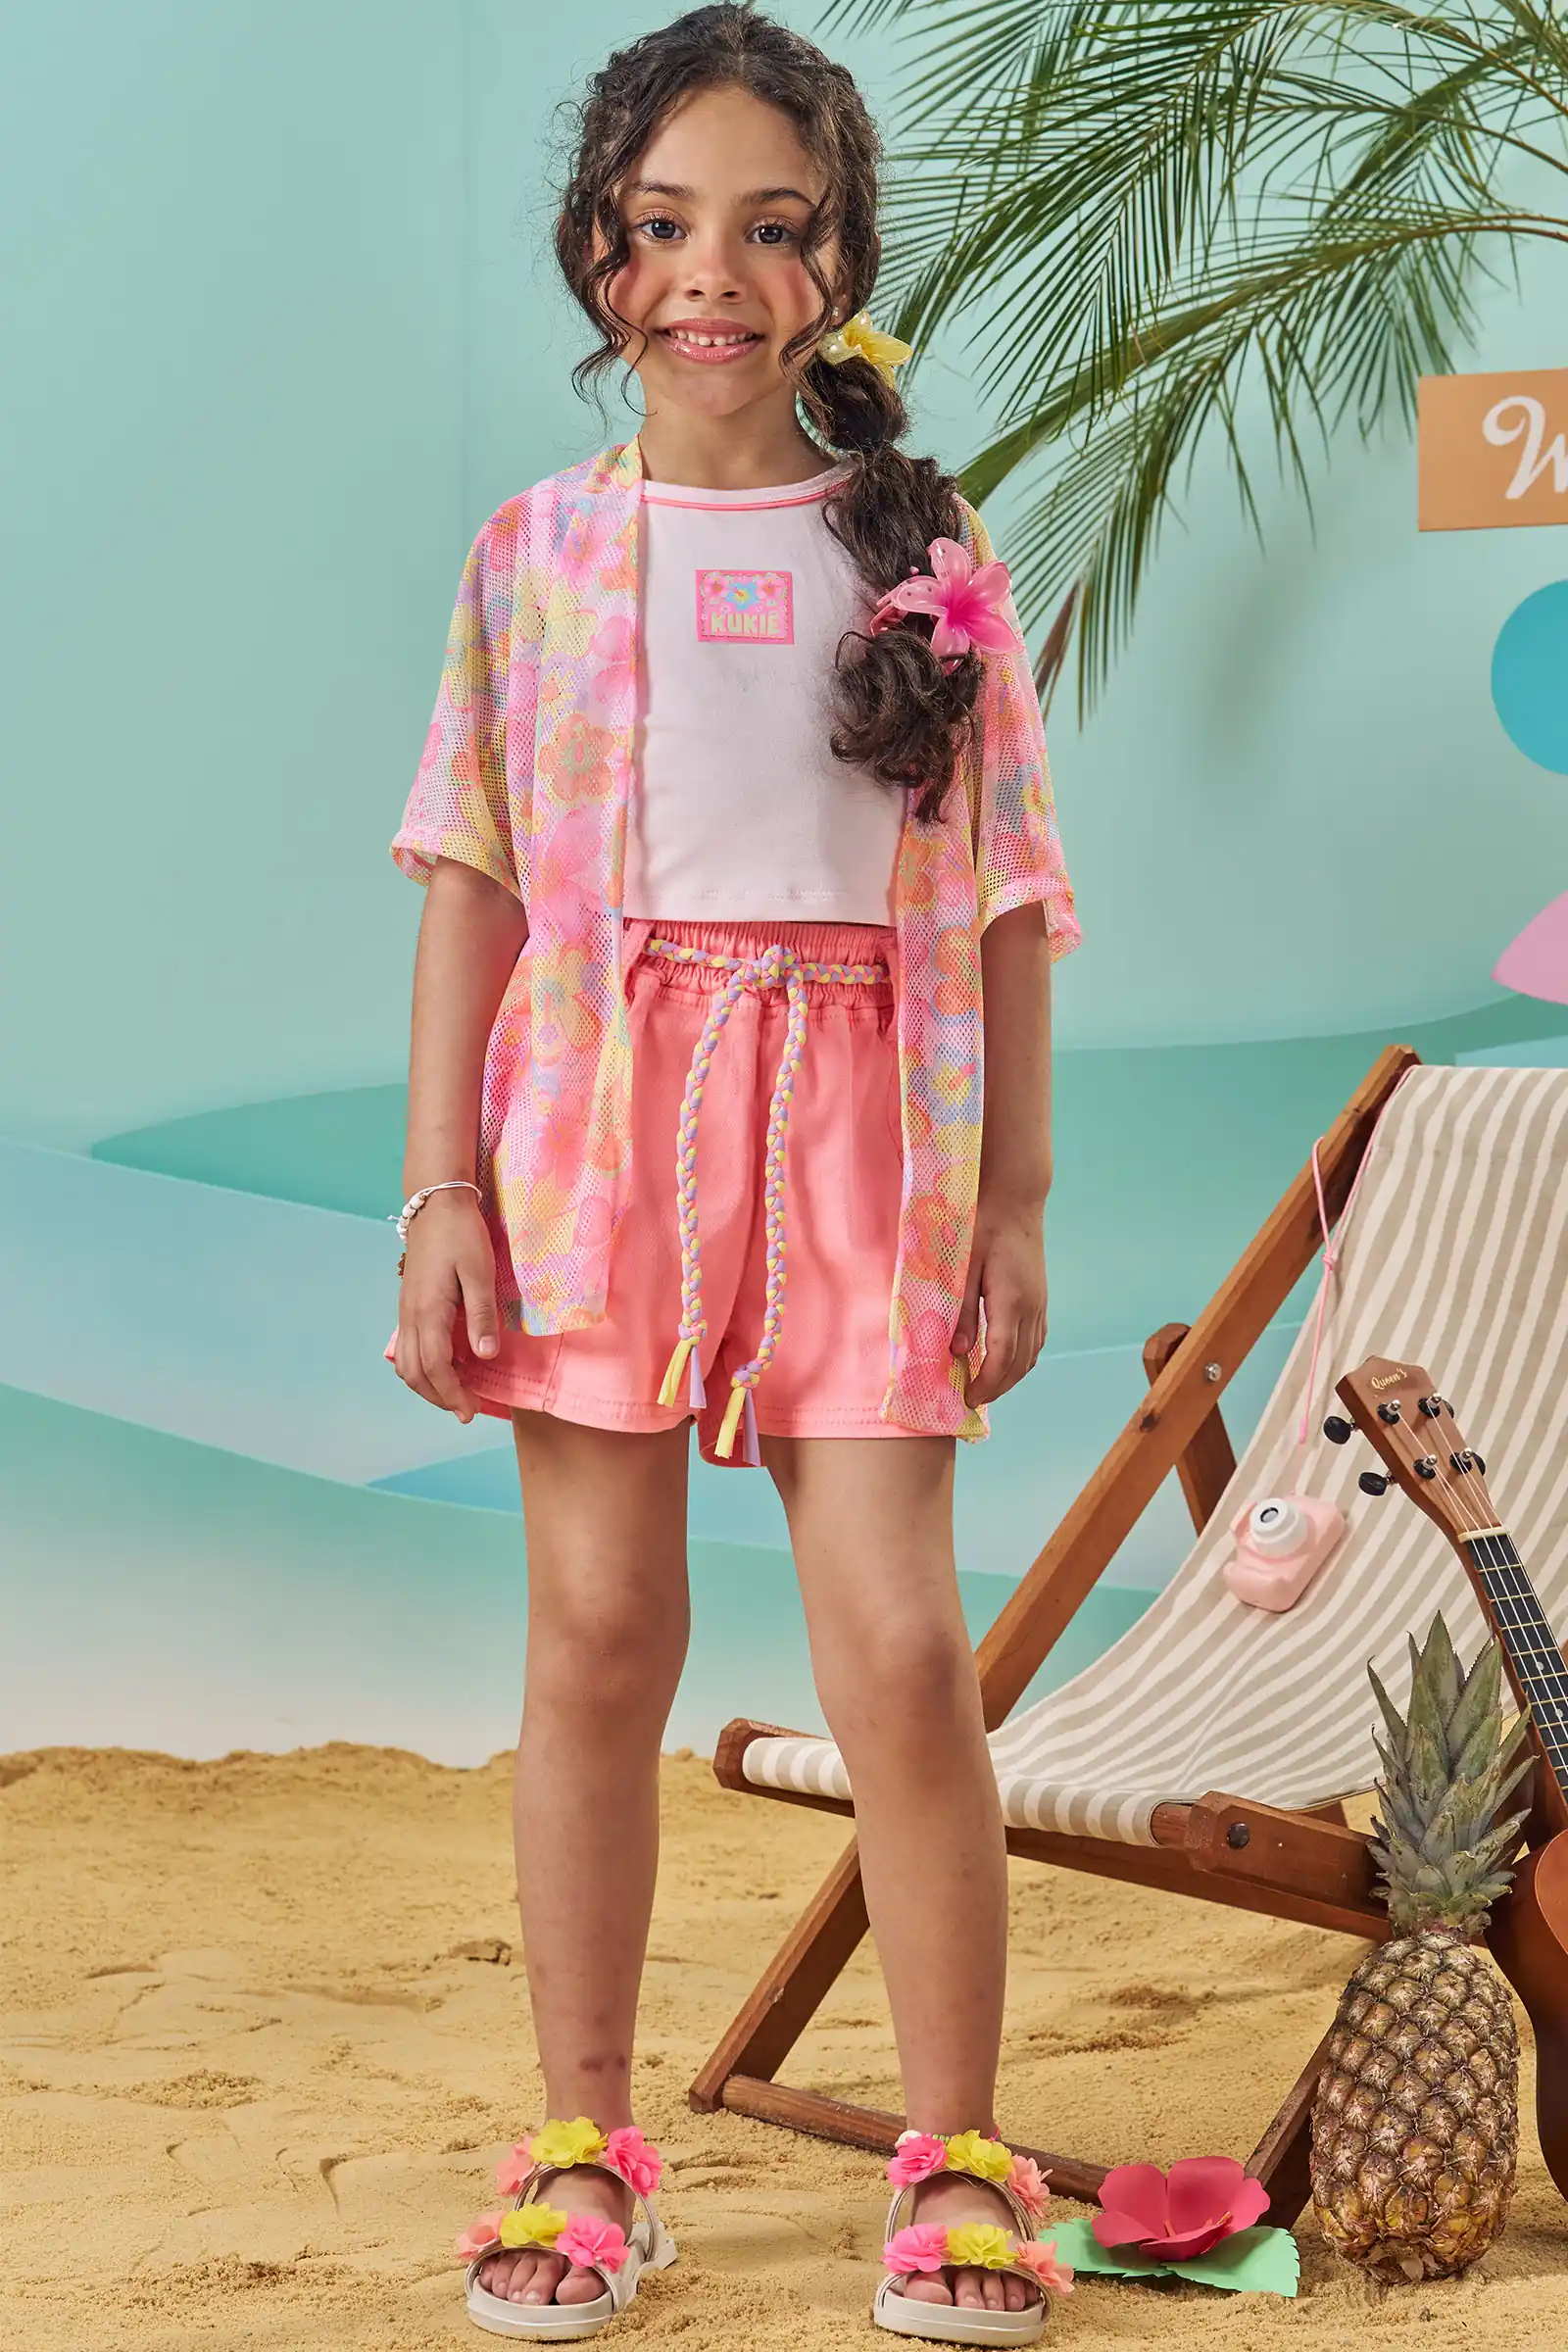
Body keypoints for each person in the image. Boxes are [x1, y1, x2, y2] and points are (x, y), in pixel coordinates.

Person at [388, 7, 1079, 2338]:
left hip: (869, 1125)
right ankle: (586, 2140)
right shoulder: (534, 552)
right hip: (598, 1129)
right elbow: (471, 876)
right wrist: (440, 1190)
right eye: (663, 226)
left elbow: (1005, 891)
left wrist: (1010, 1206)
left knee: (897, 1642)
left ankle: (954, 2152)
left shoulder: (926, 552)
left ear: (840, 264)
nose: (713, 277)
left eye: (774, 230)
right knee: (596, 1634)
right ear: (597, 247)